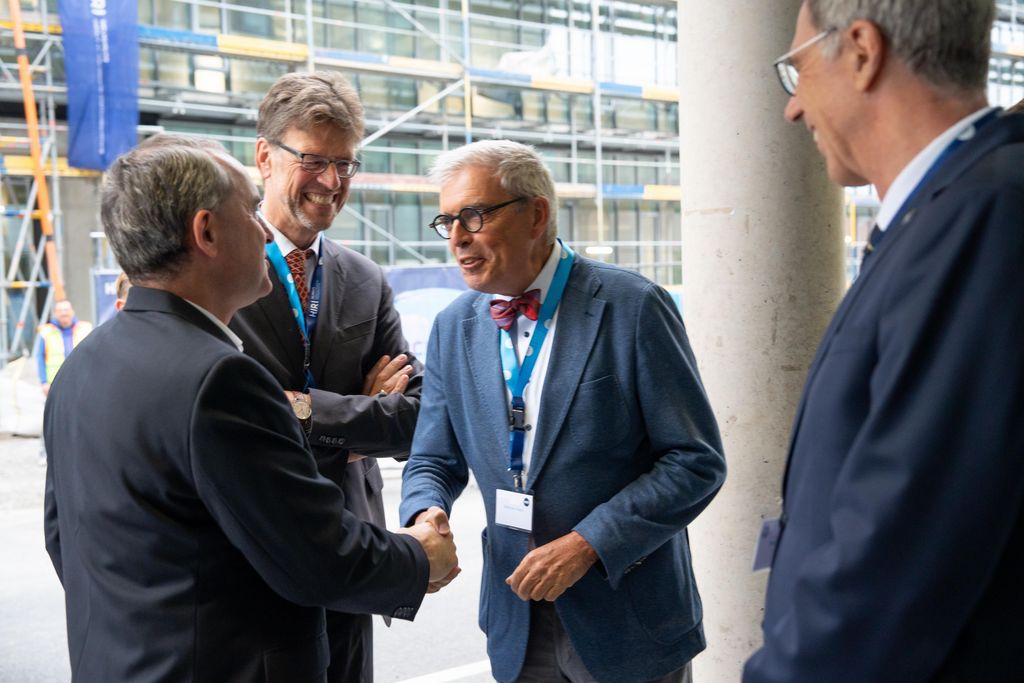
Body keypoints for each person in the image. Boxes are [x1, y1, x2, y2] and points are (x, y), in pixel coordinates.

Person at [42, 133, 458, 682]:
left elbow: (63, 539)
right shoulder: (219, 379)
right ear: (206, 232)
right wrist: (421, 554)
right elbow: (315, 558)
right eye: (249, 211)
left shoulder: (85, 363)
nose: (265, 231)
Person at [744, 2, 1024, 681]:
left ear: (863, 52)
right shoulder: (948, 208)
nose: (792, 108)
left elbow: (904, 543)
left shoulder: (985, 213)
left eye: (797, 71)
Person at [400, 140, 726, 683]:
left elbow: (695, 462)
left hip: (628, 618)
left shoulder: (635, 307)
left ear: (537, 214)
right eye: (446, 221)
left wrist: (587, 544)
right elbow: (433, 454)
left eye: (473, 217)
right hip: (515, 619)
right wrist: (424, 510)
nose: (456, 238)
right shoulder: (452, 326)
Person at [228, 71, 422, 683]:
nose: (333, 182)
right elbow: (231, 420)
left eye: (346, 164)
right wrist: (359, 412)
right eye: (314, 159)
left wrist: (304, 410)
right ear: (264, 156)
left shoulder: (365, 277)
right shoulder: (216, 268)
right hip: (251, 563)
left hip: (350, 563)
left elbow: (418, 416)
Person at [36, 299, 92, 396]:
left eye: (66, 310)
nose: (64, 313)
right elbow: (40, 357)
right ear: (55, 313)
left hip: (81, 382)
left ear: (72, 311)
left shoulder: (85, 329)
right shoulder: (46, 332)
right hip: (55, 383)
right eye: (60, 311)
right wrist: (44, 382)